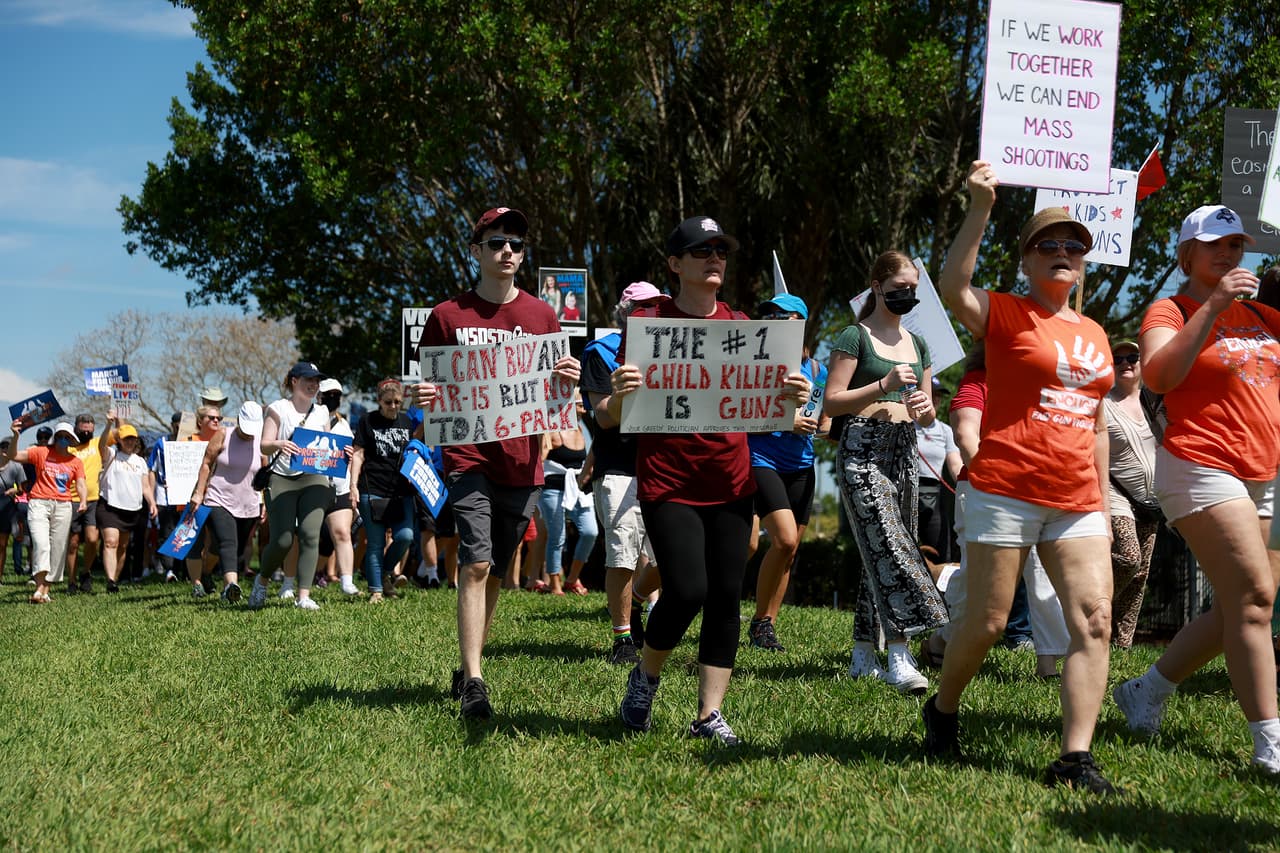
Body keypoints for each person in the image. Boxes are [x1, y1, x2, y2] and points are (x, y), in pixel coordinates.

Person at [930, 160, 1118, 795]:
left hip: (1077, 498)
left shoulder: (1095, 333)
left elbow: (1096, 423)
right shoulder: (1006, 312)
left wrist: (1103, 497)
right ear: (1026, 260)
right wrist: (980, 207)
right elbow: (953, 287)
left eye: (1074, 246)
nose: (1063, 253)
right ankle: (943, 708)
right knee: (986, 623)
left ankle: (1075, 757)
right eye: (1048, 245)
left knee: (1093, 621)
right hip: (1005, 488)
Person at [609, 215, 810, 745]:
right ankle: (646, 677)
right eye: (702, 251)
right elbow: (609, 415)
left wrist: (791, 396)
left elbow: (767, 408)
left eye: (721, 250)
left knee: (724, 596)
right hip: (669, 481)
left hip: (731, 481)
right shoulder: (649, 325)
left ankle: (708, 714)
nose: (715, 258)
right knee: (687, 590)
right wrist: (620, 395)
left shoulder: (744, 328)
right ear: (675, 264)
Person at [1112, 205, 1280, 776]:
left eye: (1235, 245)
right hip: (1200, 466)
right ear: (1187, 254)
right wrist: (1212, 307)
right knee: (1254, 600)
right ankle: (1270, 746)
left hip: (1266, 471)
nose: (1228, 253)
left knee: (1241, 605)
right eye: (1214, 244)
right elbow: (1160, 375)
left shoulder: (1263, 315)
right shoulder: (1172, 309)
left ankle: (1147, 689)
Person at [413, 206, 580, 720]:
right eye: (497, 242)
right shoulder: (447, 316)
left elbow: (554, 394)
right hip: (468, 458)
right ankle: (475, 682)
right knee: (476, 562)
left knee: (496, 572)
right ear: (476, 251)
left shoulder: (543, 317)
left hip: (523, 464)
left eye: (516, 244)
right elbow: (432, 388)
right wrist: (425, 397)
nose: (508, 251)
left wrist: (567, 380)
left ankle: (469, 664)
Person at [823, 250, 947, 694]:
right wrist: (883, 385)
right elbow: (832, 400)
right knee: (892, 545)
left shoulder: (919, 345)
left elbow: (927, 415)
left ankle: (862, 654)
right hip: (862, 448)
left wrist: (925, 408)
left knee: (882, 547)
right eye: (899, 288)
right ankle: (899, 654)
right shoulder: (854, 336)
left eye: (913, 289)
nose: (907, 295)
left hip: (905, 448)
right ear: (876, 287)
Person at [579, 281, 666, 664]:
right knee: (623, 554)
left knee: (668, 555)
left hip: (664, 465)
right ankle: (623, 639)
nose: (652, 314)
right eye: (644, 307)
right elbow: (602, 416)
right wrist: (623, 393)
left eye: (658, 307)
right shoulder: (601, 352)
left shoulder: (673, 350)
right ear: (625, 313)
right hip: (619, 466)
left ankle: (639, 608)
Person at [746, 293, 828, 652]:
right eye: (771, 315)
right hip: (761, 459)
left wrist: (823, 426)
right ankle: (749, 618)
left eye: (785, 315)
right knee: (784, 540)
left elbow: (823, 416)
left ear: (801, 323)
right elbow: (740, 414)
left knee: (788, 552)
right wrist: (785, 421)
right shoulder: (755, 364)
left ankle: (765, 626)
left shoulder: (818, 371)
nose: (776, 321)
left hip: (802, 466)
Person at [249, 361, 333, 610]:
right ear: (294, 381)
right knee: (283, 540)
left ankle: (303, 596)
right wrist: (279, 444)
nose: (313, 385)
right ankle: (262, 581)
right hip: (282, 478)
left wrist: (343, 453)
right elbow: (264, 445)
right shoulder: (278, 408)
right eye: (308, 379)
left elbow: (329, 445)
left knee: (310, 534)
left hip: (314, 477)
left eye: (317, 381)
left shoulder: (322, 412)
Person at [1102, 340, 1158, 649]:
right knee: (1129, 558)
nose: (1125, 362)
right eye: (1118, 358)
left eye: (1132, 357)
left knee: (1140, 576)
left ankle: (1121, 646)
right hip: (1115, 493)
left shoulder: (1155, 403)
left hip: (1151, 500)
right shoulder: (1103, 403)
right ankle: (1090, 601)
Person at [186, 401, 266, 603]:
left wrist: (265, 502)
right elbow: (206, 463)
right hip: (218, 499)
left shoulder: (261, 442)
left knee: (228, 548)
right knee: (228, 542)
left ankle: (206, 573)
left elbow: (265, 474)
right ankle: (230, 587)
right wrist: (199, 493)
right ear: (238, 420)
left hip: (248, 504)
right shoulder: (223, 434)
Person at [350, 379, 417, 604]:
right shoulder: (367, 421)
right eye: (388, 402)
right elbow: (358, 454)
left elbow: (414, 447)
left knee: (406, 536)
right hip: (372, 489)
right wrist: (353, 486)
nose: (393, 406)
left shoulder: (406, 422)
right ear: (379, 401)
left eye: (397, 402)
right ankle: (376, 590)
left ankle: (386, 573)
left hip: (401, 492)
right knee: (376, 543)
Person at [4, 421, 86, 603]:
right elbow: (13, 455)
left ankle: (43, 590)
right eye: (60, 436)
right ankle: (40, 589)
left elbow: (81, 483)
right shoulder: (41, 452)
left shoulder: (75, 462)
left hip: (63, 505)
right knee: (41, 544)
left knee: (58, 548)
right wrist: (16, 436)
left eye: (67, 437)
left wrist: (83, 500)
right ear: (54, 438)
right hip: (39, 503)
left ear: (71, 439)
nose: (63, 440)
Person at [535, 401, 597, 596]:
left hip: (576, 488)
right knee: (557, 536)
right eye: (579, 403)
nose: (584, 406)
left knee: (590, 532)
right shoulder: (552, 429)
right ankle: (554, 584)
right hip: (553, 488)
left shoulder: (581, 429)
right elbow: (541, 458)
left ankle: (572, 578)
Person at [95, 414, 156, 593]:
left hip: (131, 510)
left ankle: (115, 578)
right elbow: (101, 445)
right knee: (110, 542)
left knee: (122, 546)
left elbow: (145, 486)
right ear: (119, 440)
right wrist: (108, 425)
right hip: (109, 507)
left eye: (132, 439)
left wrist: (152, 502)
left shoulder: (140, 462)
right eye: (126, 438)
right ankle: (110, 581)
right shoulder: (111, 455)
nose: (129, 442)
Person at [314, 379, 361, 597]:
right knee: (305, 537)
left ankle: (347, 581)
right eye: (328, 394)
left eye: (336, 395)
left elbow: (351, 458)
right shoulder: (309, 420)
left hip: (339, 487)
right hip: (313, 486)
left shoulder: (344, 426)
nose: (333, 398)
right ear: (319, 396)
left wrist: (352, 481)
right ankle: (294, 580)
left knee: (342, 532)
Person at [915, 377, 962, 563]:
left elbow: (955, 465)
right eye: (931, 394)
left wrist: (970, 485)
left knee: (941, 554)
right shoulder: (905, 424)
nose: (935, 399)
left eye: (938, 395)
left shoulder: (945, 430)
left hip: (933, 494)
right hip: (906, 491)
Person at [66, 412, 102, 593]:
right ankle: (71, 581)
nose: (87, 433)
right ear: (76, 428)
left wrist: (116, 417)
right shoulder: (68, 448)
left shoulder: (97, 444)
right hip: (71, 500)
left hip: (93, 500)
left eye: (90, 430)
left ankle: (85, 572)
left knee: (92, 539)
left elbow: (119, 432)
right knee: (73, 543)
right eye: (83, 430)